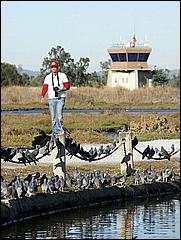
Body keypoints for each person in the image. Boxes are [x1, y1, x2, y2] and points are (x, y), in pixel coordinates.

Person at [41, 60, 70, 138]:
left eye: (55, 67)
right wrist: (42, 96)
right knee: (53, 117)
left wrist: (61, 89)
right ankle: (55, 132)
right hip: (51, 98)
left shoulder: (62, 75)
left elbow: (67, 86)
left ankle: (60, 131)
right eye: (52, 67)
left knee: (59, 115)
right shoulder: (48, 77)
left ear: (57, 68)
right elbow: (45, 87)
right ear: (51, 68)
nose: (54, 68)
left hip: (61, 97)